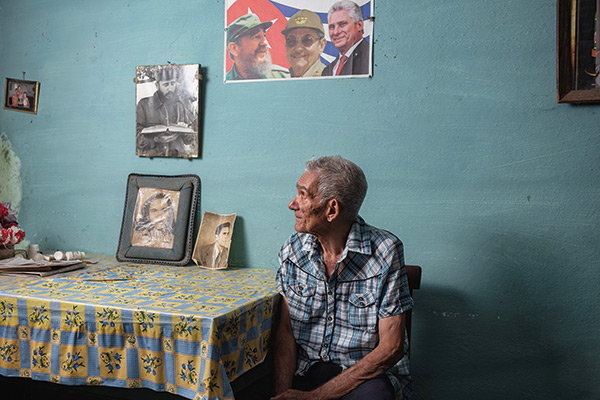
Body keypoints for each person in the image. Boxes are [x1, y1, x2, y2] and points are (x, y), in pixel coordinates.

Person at [273, 156, 413, 400]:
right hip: (308, 369)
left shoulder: (385, 252)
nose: (292, 204)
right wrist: (283, 395)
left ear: (332, 210)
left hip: (365, 377)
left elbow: (392, 348)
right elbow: (286, 331)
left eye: (303, 195)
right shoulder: (292, 250)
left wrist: (315, 397)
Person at [136, 66, 198, 157]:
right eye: (166, 85)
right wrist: (155, 140)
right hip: (153, 158)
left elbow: (189, 140)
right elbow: (136, 138)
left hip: (177, 156)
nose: (170, 88)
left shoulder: (180, 105)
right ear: (157, 85)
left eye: (172, 83)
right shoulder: (143, 105)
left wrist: (186, 130)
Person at [226, 13, 290, 80]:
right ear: (234, 49)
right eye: (256, 37)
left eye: (264, 36)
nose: (265, 43)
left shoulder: (283, 77)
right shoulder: (224, 83)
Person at [321, 1, 370, 77]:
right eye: (332, 27)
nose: (336, 32)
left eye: (342, 24)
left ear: (359, 25)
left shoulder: (371, 56)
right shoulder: (327, 71)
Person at [281, 9, 327, 78]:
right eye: (291, 41)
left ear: (321, 45)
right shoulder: (280, 81)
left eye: (307, 40)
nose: (298, 49)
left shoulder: (330, 80)